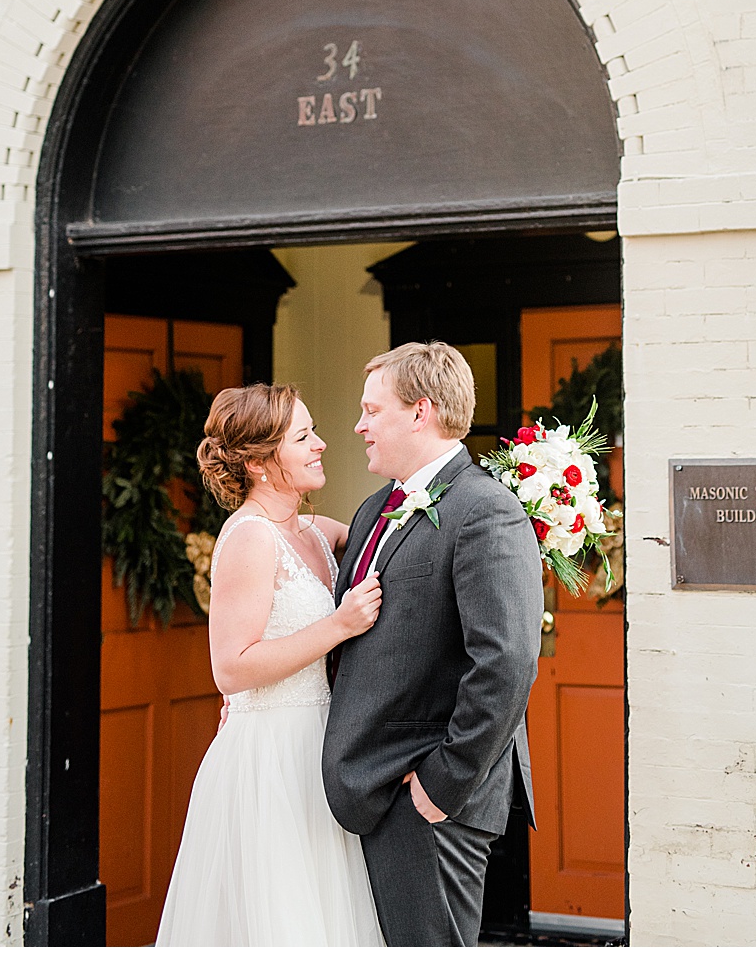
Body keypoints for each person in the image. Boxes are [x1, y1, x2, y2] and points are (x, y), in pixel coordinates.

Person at [322, 342, 544, 946]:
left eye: (373, 410)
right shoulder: (374, 510)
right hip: (371, 788)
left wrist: (440, 783)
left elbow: (506, 661)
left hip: (428, 800)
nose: (359, 425)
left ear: (420, 412)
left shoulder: (485, 511)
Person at [156, 384, 386, 946]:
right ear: (259, 463)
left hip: (322, 746)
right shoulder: (250, 540)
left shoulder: (312, 531)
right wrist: (339, 625)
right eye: (304, 436)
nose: (322, 444)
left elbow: (390, 537)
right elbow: (230, 669)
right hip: (271, 757)